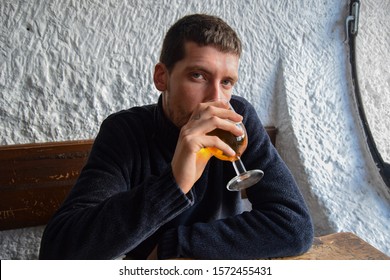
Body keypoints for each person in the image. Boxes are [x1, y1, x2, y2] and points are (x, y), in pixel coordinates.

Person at [39, 13, 313, 260]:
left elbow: (294, 226)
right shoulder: (124, 131)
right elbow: (59, 253)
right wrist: (174, 184)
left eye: (227, 82)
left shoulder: (237, 119)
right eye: (198, 75)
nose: (217, 99)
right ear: (162, 78)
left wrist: (175, 245)